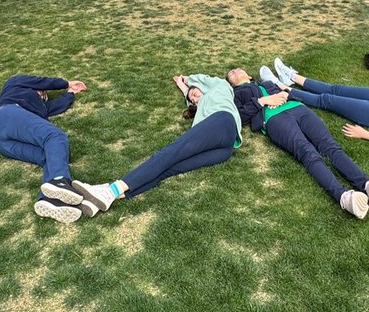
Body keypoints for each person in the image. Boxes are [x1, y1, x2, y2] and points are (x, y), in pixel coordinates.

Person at [226, 68, 369, 218]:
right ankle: (344, 198)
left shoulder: (267, 83)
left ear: (249, 75)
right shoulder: (236, 94)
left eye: (238, 69)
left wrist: (286, 94)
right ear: (231, 83)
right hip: (274, 118)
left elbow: (294, 94)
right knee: (308, 153)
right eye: (231, 74)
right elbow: (238, 117)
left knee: (330, 146)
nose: (234, 71)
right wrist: (262, 101)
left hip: (299, 109)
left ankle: (367, 185)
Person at [70, 75, 243, 213]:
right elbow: (189, 96)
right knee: (169, 169)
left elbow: (204, 80)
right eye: (192, 99)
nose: (195, 98)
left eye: (196, 93)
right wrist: (184, 89)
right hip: (225, 149)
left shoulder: (220, 88)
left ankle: (110, 190)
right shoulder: (201, 109)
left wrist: (186, 79)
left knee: (170, 153)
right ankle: (108, 196)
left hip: (223, 122)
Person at [0, 74, 95, 223]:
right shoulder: (12, 85)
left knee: (50, 156)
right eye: (43, 92)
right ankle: (59, 181)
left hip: (3, 143)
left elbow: (57, 106)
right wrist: (66, 83)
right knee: (55, 136)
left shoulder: (41, 107)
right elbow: (42, 81)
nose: (43, 95)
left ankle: (49, 200)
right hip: (8, 115)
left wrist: (71, 93)